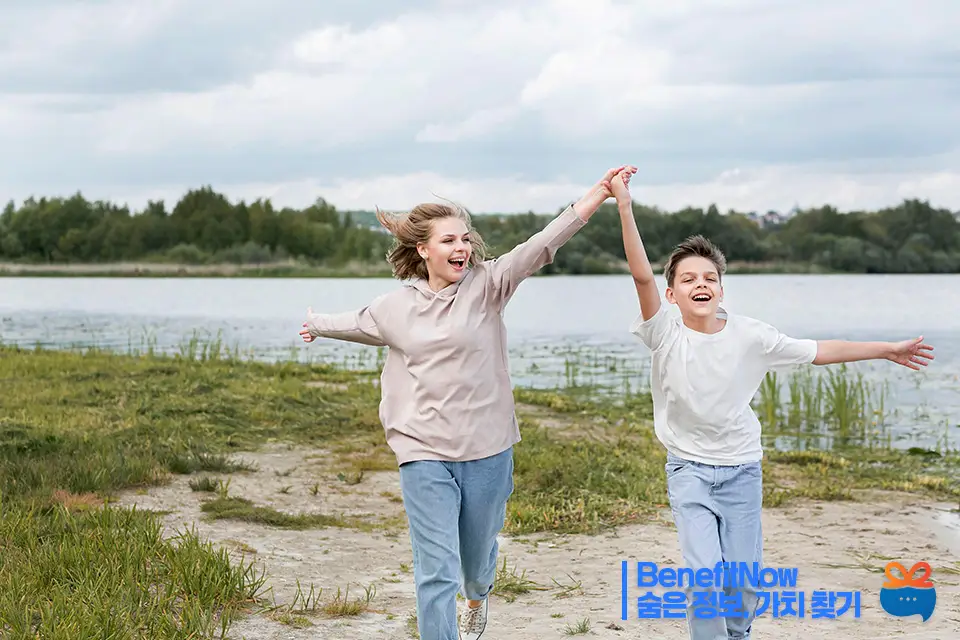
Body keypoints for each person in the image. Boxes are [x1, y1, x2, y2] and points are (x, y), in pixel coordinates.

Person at [299, 165, 637, 640]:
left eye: (465, 239)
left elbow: (540, 245)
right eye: (448, 241)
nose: (462, 248)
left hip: (487, 446)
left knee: (475, 561)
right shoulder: (394, 308)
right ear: (423, 250)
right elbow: (354, 323)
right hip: (423, 451)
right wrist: (315, 324)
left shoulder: (490, 285)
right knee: (435, 568)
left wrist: (597, 195)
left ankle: (477, 597)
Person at [609, 170, 934, 640]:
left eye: (710, 278)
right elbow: (640, 271)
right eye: (688, 279)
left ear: (721, 288)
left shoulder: (752, 336)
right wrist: (624, 205)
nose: (701, 285)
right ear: (672, 292)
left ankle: (736, 633)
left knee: (741, 586)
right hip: (689, 471)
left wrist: (885, 348)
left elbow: (820, 350)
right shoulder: (664, 332)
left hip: (741, 470)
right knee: (704, 580)